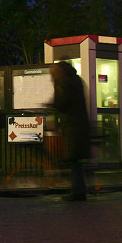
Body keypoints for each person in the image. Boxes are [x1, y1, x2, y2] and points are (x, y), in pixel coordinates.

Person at [50, 61, 92, 201]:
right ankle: (79, 191)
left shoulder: (65, 83)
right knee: (76, 161)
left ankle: (78, 192)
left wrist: (52, 101)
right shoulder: (76, 80)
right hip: (79, 126)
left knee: (74, 160)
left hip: (73, 127)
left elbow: (61, 104)